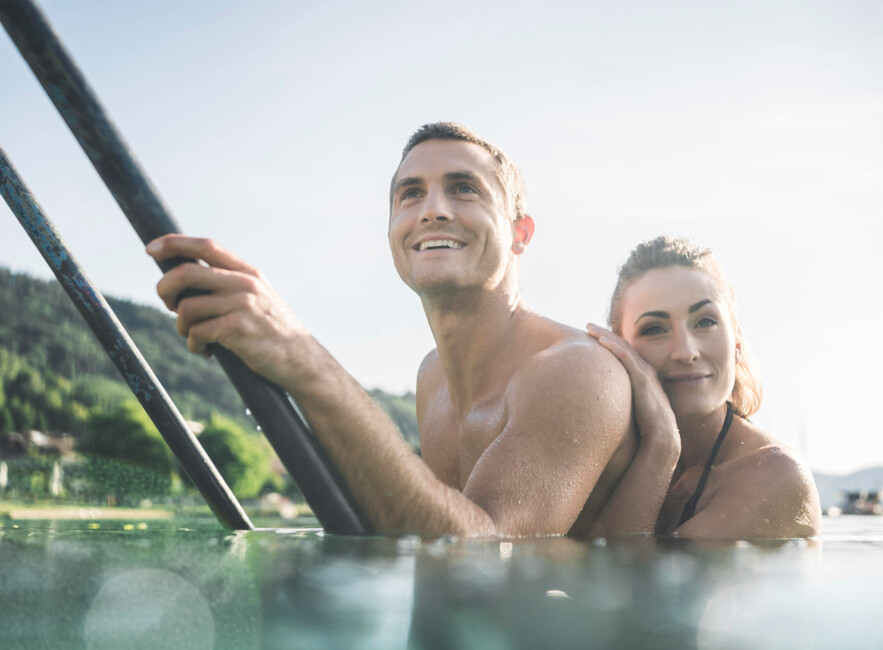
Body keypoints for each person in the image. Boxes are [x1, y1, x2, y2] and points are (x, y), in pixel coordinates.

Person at [147, 122, 635, 537]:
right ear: (392, 233)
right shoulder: (433, 377)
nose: (432, 210)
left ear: (520, 233)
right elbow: (419, 533)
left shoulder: (577, 369)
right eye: (410, 194)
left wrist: (302, 358)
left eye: (464, 188)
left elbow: (486, 553)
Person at [587, 236, 820, 539]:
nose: (685, 351)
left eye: (705, 322)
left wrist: (662, 443)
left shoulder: (777, 475)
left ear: (736, 342)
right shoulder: (601, 461)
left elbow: (631, 577)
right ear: (619, 346)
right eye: (655, 329)